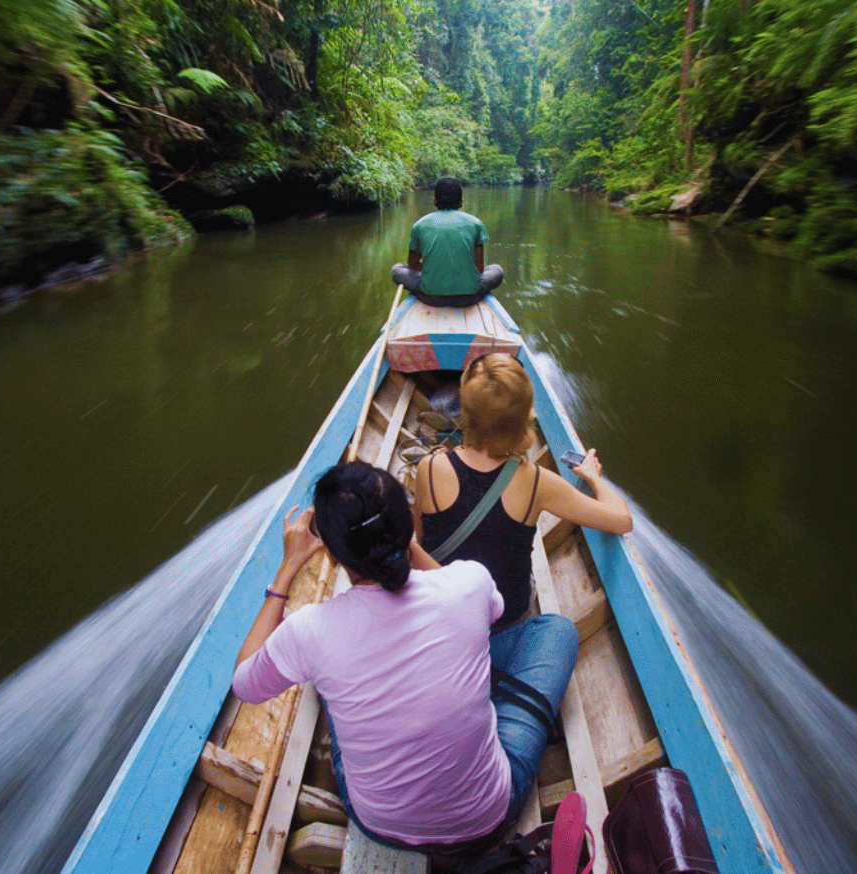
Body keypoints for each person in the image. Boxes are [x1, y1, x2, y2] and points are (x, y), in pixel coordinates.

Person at [231, 461, 577, 854]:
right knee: (556, 631)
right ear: (407, 525)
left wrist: (287, 567)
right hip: (486, 817)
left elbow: (245, 683)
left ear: (329, 552)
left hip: (379, 823)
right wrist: (407, 544)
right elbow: (493, 612)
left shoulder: (309, 630)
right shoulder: (468, 583)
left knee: (327, 679)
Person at [413, 354, 632, 629]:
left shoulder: (429, 467)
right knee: (558, 629)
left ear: (466, 412)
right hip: (505, 616)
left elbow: (422, 539)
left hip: (446, 610)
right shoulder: (536, 481)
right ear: (524, 418)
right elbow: (622, 519)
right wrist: (593, 477)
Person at [392, 177, 504, 307]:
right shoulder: (476, 223)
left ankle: (433, 286)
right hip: (468, 297)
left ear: (434, 200)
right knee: (496, 270)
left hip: (430, 297)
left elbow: (412, 266)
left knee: (397, 269)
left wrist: (431, 265)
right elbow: (479, 269)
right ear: (461, 201)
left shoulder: (420, 225)